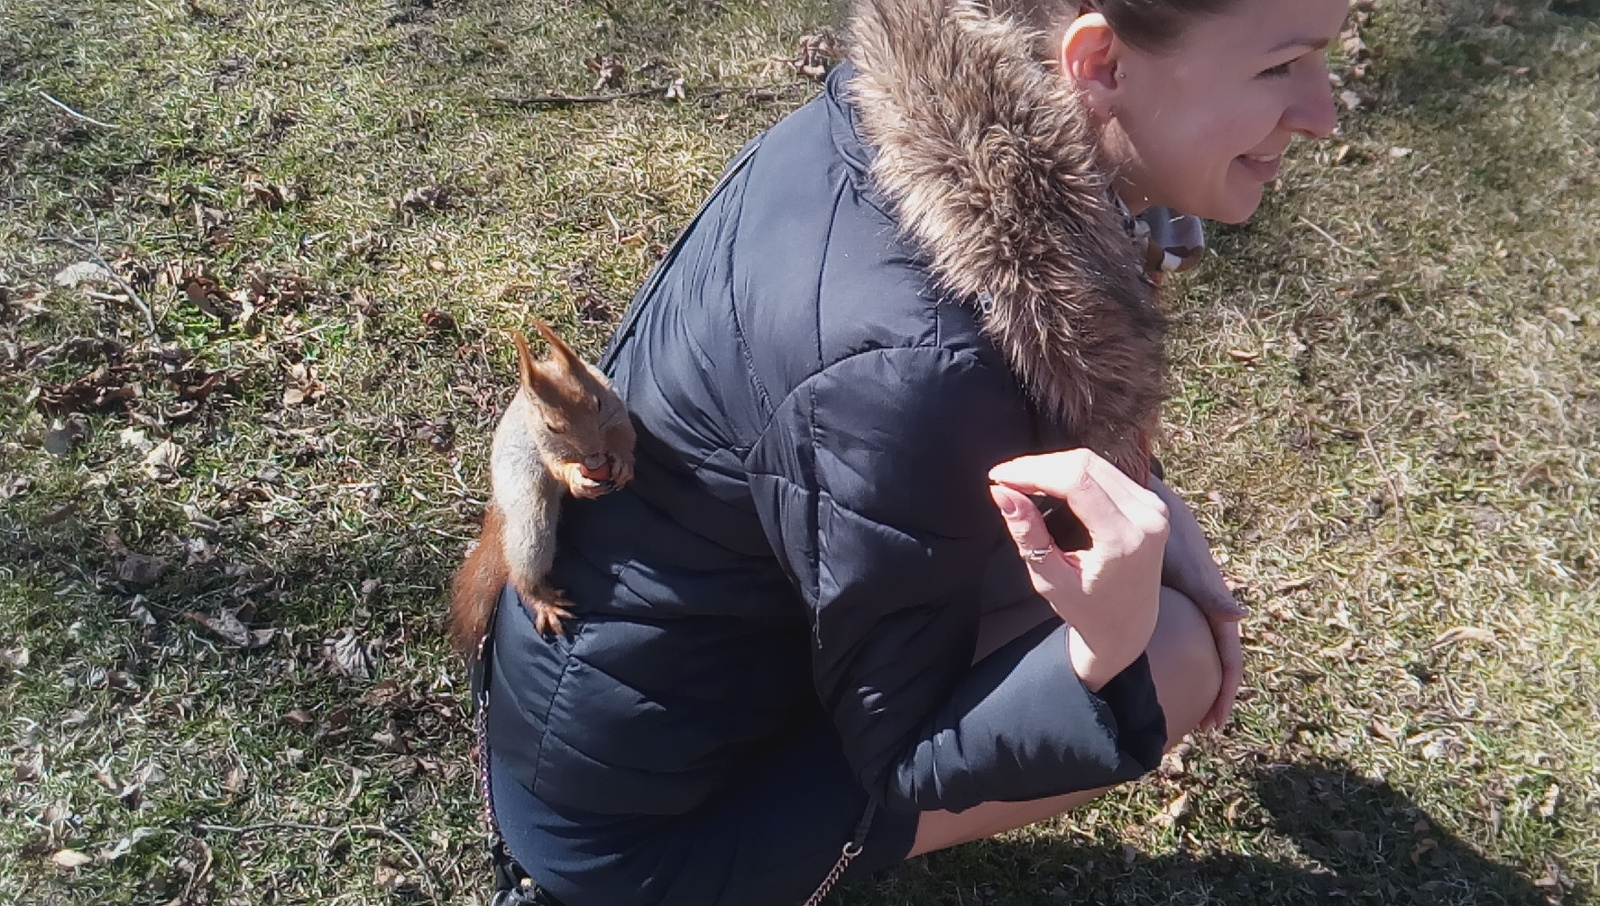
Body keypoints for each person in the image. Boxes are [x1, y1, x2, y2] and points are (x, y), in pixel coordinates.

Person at [476, 0, 1345, 903]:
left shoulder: (914, 120)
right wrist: (1105, 648)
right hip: (631, 834)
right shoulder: (919, 364)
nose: (1323, 112)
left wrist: (1152, 499)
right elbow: (905, 752)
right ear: (1100, 64)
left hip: (583, 713)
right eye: (1282, 67)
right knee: (1170, 655)